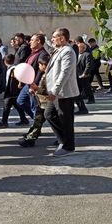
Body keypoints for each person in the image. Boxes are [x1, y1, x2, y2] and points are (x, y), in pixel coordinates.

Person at [44, 28, 80, 156]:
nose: (52, 39)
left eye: (54, 37)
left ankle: (68, 146)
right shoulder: (59, 50)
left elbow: (64, 73)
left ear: (62, 38)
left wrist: (54, 90)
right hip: (55, 92)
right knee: (49, 114)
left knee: (66, 119)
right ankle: (63, 140)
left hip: (64, 92)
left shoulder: (68, 52)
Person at [19, 55, 50, 147]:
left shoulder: (49, 75)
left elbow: (49, 91)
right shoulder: (45, 74)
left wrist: (37, 89)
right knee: (38, 121)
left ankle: (63, 138)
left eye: (40, 65)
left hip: (48, 103)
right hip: (42, 103)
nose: (39, 67)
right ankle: (30, 138)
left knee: (54, 121)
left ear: (44, 65)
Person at [0, 54, 30, 127]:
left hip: (11, 90)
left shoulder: (13, 69)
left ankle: (4, 122)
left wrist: (20, 83)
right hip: (12, 90)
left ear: (5, 61)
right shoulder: (11, 68)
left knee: (6, 106)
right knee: (17, 106)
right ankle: (23, 119)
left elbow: (18, 77)